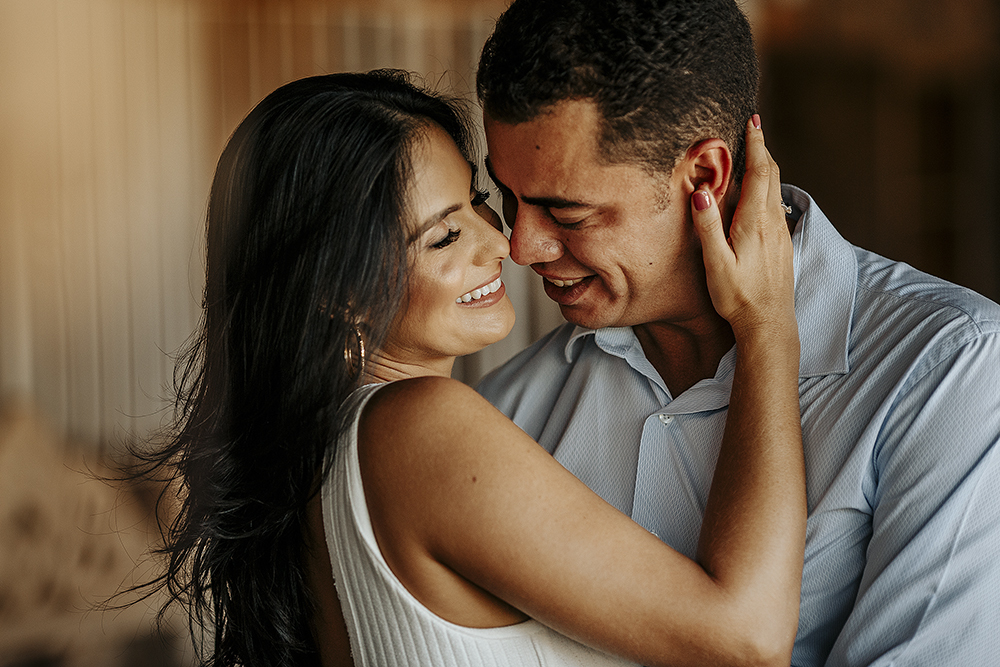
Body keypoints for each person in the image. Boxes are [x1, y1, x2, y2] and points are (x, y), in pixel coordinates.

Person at [128, 69, 804, 666]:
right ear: (339, 292)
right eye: (445, 234)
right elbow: (746, 637)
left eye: (479, 202)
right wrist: (767, 322)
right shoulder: (418, 426)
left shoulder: (328, 448)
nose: (506, 243)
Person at [474, 1, 1000, 665]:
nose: (522, 246)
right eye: (508, 199)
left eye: (566, 212)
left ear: (704, 176)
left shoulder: (949, 371)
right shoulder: (505, 416)